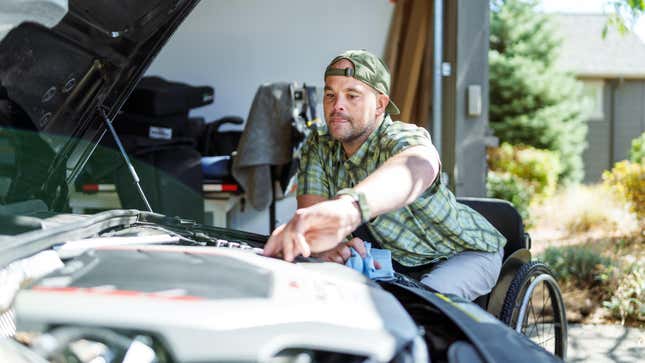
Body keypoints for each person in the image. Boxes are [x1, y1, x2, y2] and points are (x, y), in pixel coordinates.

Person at [263, 50, 506, 300]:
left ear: (380, 104)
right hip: (394, 262)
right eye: (330, 95)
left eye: (352, 95)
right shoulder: (319, 144)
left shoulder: (400, 137)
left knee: (420, 308)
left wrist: (349, 209)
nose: (338, 106)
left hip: (462, 253)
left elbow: (420, 162)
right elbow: (313, 216)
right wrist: (330, 246)